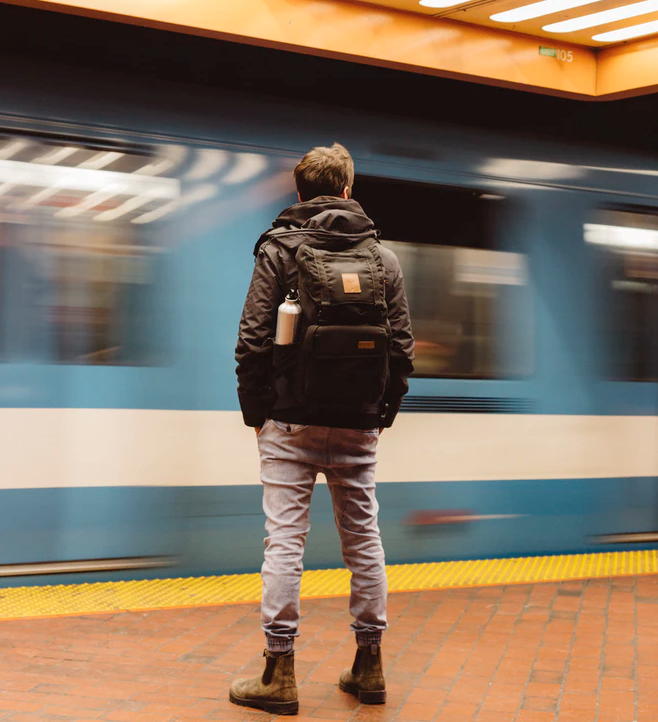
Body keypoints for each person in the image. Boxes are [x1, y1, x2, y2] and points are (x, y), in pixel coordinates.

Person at [231, 143, 414, 716]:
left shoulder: (279, 248)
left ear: (301, 193)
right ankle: (370, 665)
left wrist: (256, 412)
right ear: (347, 190)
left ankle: (279, 673)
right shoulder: (384, 259)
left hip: (289, 420)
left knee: (285, 540)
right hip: (358, 422)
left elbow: (253, 340)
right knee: (363, 540)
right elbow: (403, 350)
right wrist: (380, 413)